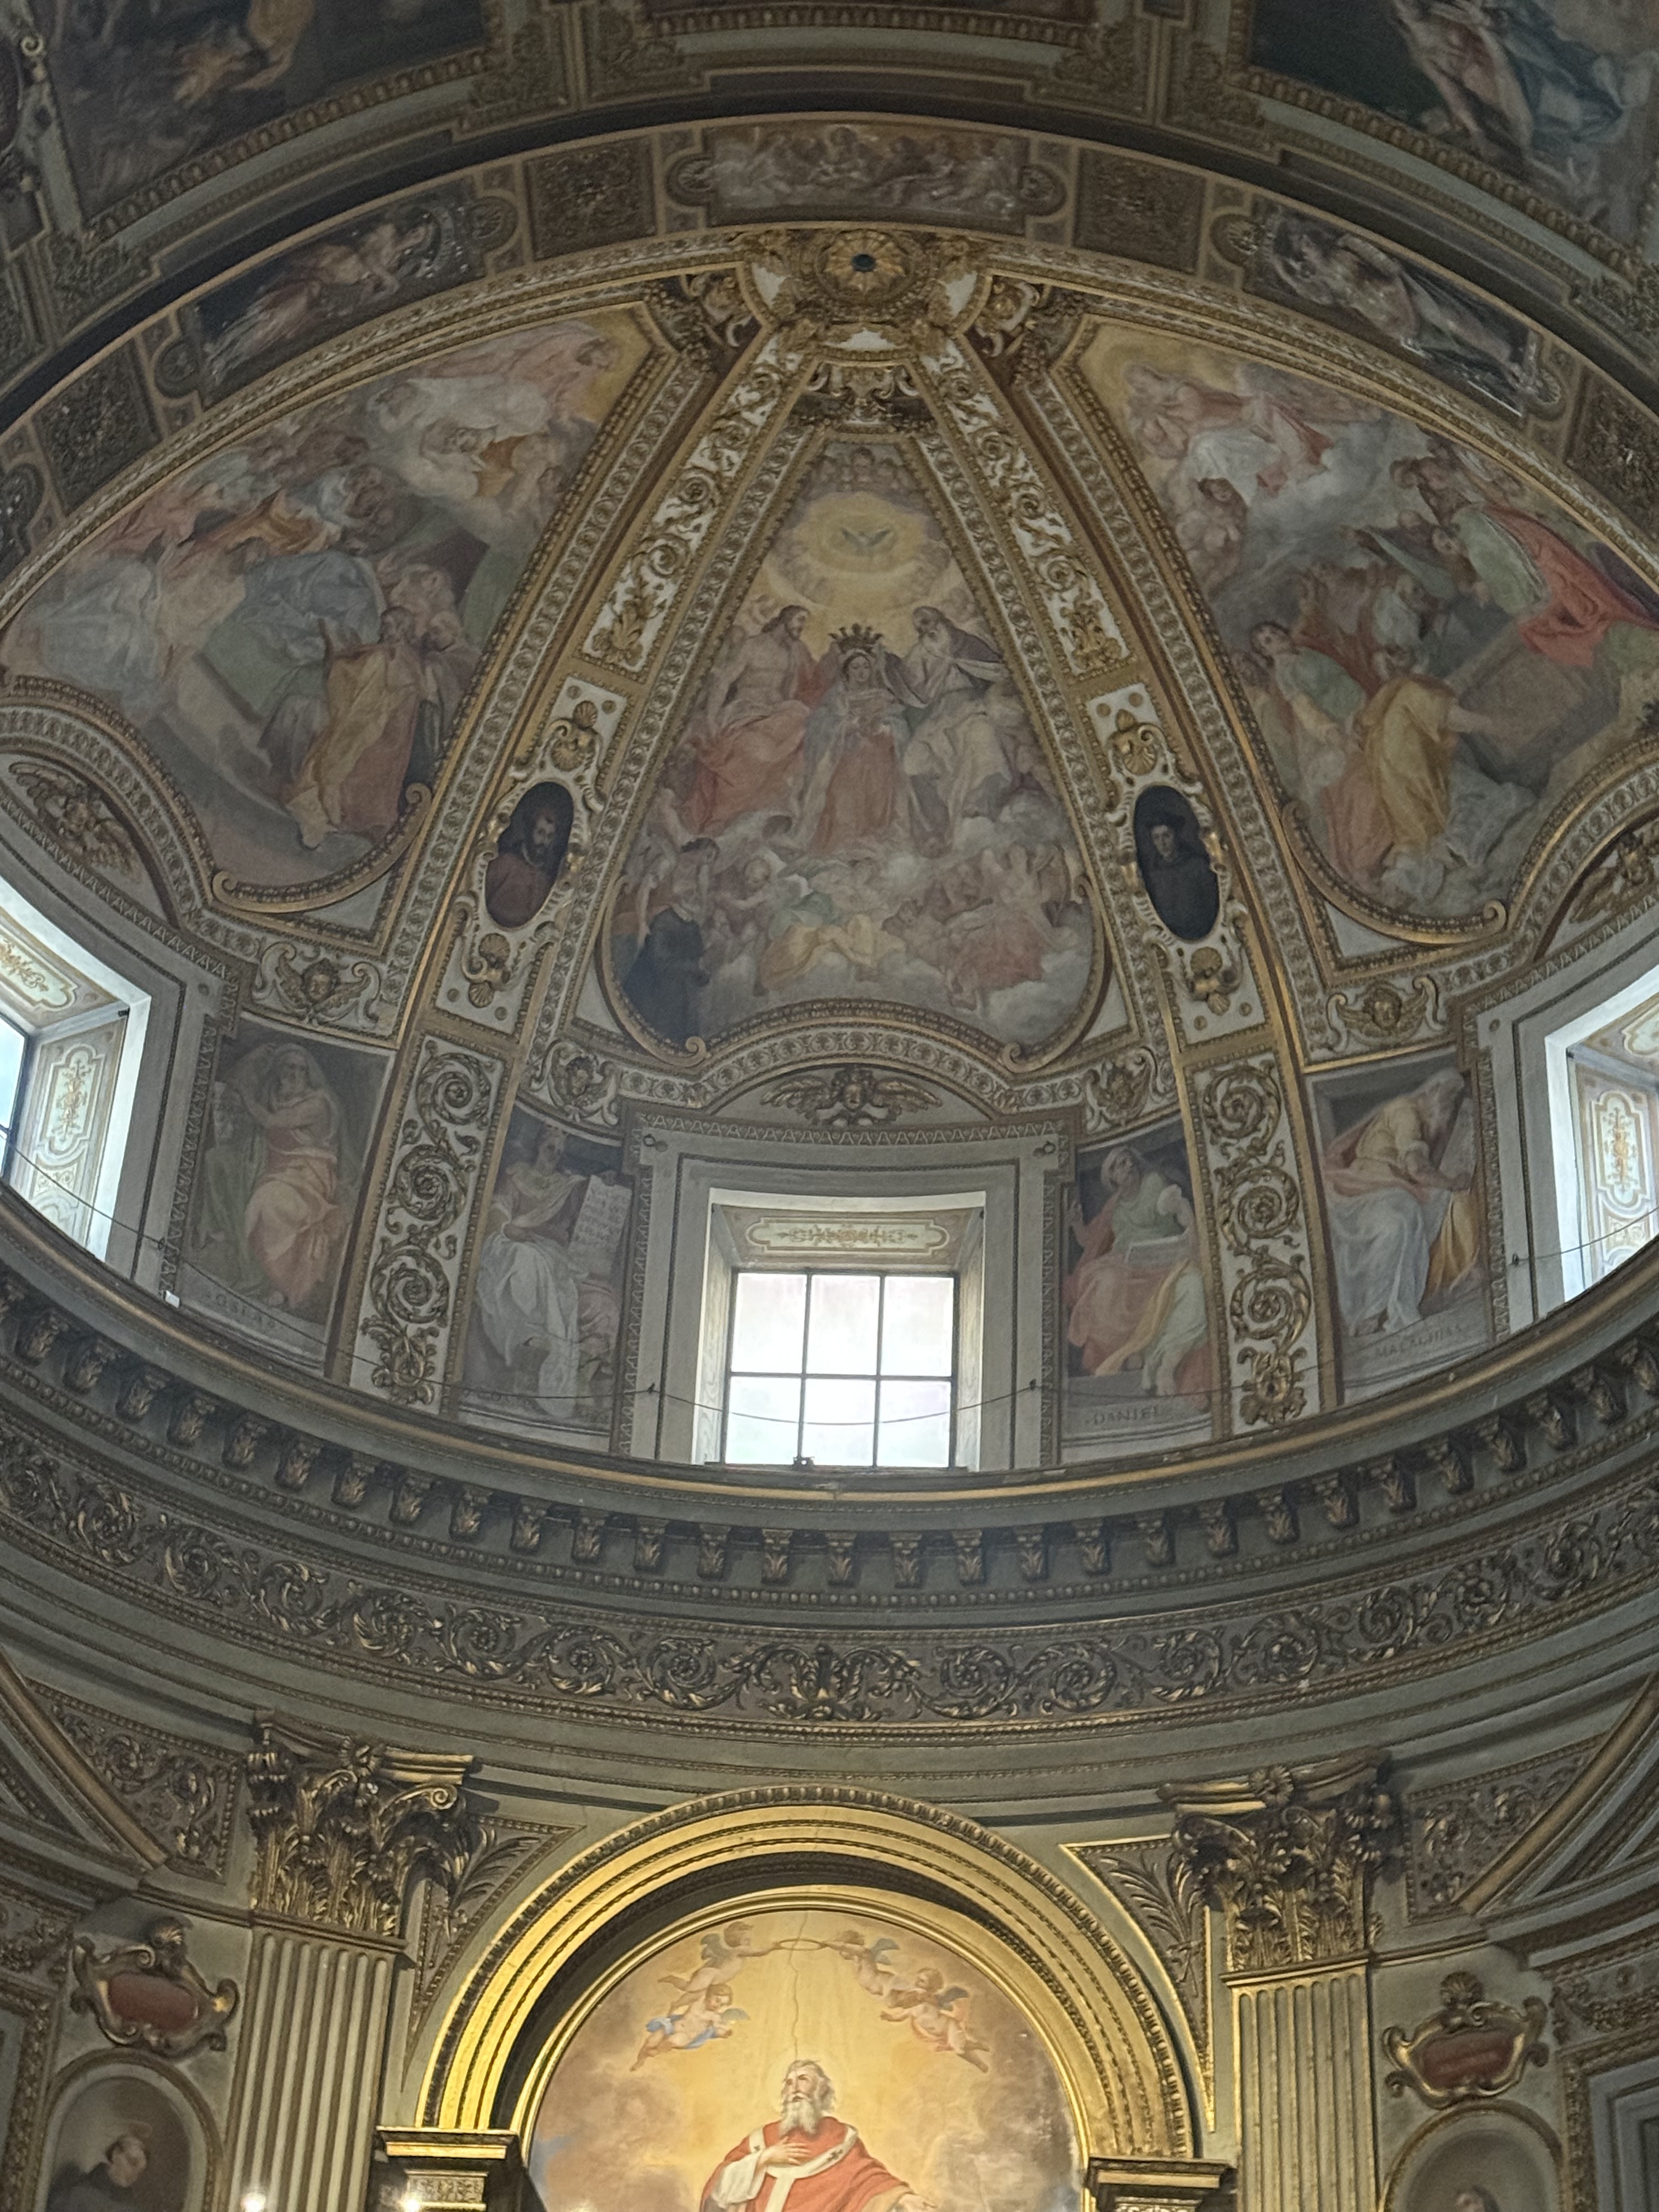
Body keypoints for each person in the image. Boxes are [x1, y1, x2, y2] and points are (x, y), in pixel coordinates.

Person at [1323, 1071, 1481, 1338]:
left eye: (1454, 1100)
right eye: (1448, 1098)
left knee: (1424, 1209)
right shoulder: (1406, 1111)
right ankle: (1373, 1312)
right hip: (1368, 1188)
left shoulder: (1419, 1120)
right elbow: (1416, 1168)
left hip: (1390, 1190)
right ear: (1433, 1092)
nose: (1449, 1107)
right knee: (1400, 1219)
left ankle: (1405, 1301)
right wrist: (1452, 1182)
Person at [473, 1125, 610, 1418]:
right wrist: (509, 1229)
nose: (554, 1155)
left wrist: (603, 1185)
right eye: (551, 1148)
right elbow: (498, 1212)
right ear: (539, 1146)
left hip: (550, 1250)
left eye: (559, 1151)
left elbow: (576, 1218)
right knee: (524, 1260)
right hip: (514, 1240)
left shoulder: (565, 1185)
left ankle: (573, 1372)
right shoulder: (517, 1175)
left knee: (590, 1294)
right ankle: (530, 1342)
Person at [702, 2059, 938, 2212]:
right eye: (789, 2083)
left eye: (803, 2080)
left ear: (821, 2089)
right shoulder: (761, 2139)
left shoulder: (841, 2139)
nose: (794, 2089)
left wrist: (900, 2197)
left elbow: (867, 2176)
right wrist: (764, 2158)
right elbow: (718, 2190)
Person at [1064, 1149, 1209, 1397]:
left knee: (1193, 1285)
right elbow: (1092, 1241)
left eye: (1129, 1160)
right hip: (1127, 1265)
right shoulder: (1115, 1206)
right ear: (1111, 1177)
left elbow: (1169, 1208)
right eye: (1120, 1165)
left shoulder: (1153, 1183)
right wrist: (1077, 1223)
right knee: (1104, 1282)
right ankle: (1131, 1350)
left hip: (1165, 1260)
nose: (1129, 1165)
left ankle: (1163, 1365)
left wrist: (1176, 1207)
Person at [684, 606, 827, 836]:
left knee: (807, 720)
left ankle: (787, 804)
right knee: (760, 753)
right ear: (786, 618)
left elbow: (789, 693)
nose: (802, 627)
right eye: (800, 620)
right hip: (746, 711)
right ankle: (723, 816)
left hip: (775, 713)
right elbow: (724, 680)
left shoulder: (792, 653)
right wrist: (711, 718)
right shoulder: (753, 646)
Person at [624, 841, 715, 1046]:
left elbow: (701, 905)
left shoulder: (698, 875)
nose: (708, 862)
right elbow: (645, 891)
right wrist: (641, 923)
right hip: (659, 924)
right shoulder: (669, 862)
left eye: (712, 859)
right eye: (708, 855)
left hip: (678, 932)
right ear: (698, 849)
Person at [486, 782, 573, 928]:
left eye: (550, 836)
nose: (544, 842)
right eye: (540, 833)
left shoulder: (547, 883)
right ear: (530, 830)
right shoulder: (503, 865)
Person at [1135, 794, 1220, 939]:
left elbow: (1212, 905)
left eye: (1166, 836)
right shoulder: (1152, 874)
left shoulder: (1197, 866)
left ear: (1176, 836)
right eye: (1157, 838)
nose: (1162, 843)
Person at [48, 2127, 153, 2210]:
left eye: (139, 2172)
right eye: (132, 2163)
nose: (134, 2174)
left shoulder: (132, 2209)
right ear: (116, 2154)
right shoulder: (77, 2191)